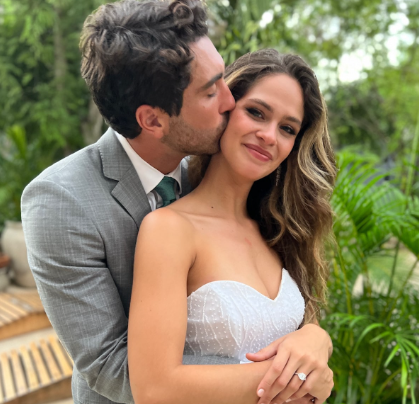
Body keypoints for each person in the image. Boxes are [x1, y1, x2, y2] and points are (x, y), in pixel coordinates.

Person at [21, 1, 333, 403]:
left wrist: (315, 339)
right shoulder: (62, 202)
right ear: (153, 120)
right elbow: (111, 366)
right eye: (211, 91)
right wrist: (292, 381)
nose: (229, 100)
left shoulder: (230, 182)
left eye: (288, 128)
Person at [128, 49, 336, 404]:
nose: (269, 135)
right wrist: (301, 381)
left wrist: (318, 338)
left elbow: (301, 333)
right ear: (224, 109)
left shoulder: (279, 231)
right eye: (256, 112)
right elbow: (154, 389)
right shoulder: (169, 230)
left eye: (287, 128)